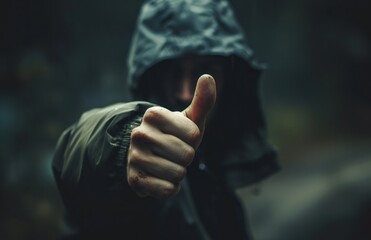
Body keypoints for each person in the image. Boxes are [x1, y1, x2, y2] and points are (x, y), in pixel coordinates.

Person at [52, 0, 279, 239]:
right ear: (153, 78)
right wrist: (121, 150)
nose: (184, 92)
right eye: (173, 72)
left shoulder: (215, 176)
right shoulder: (133, 188)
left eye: (204, 71)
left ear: (230, 81)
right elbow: (79, 149)